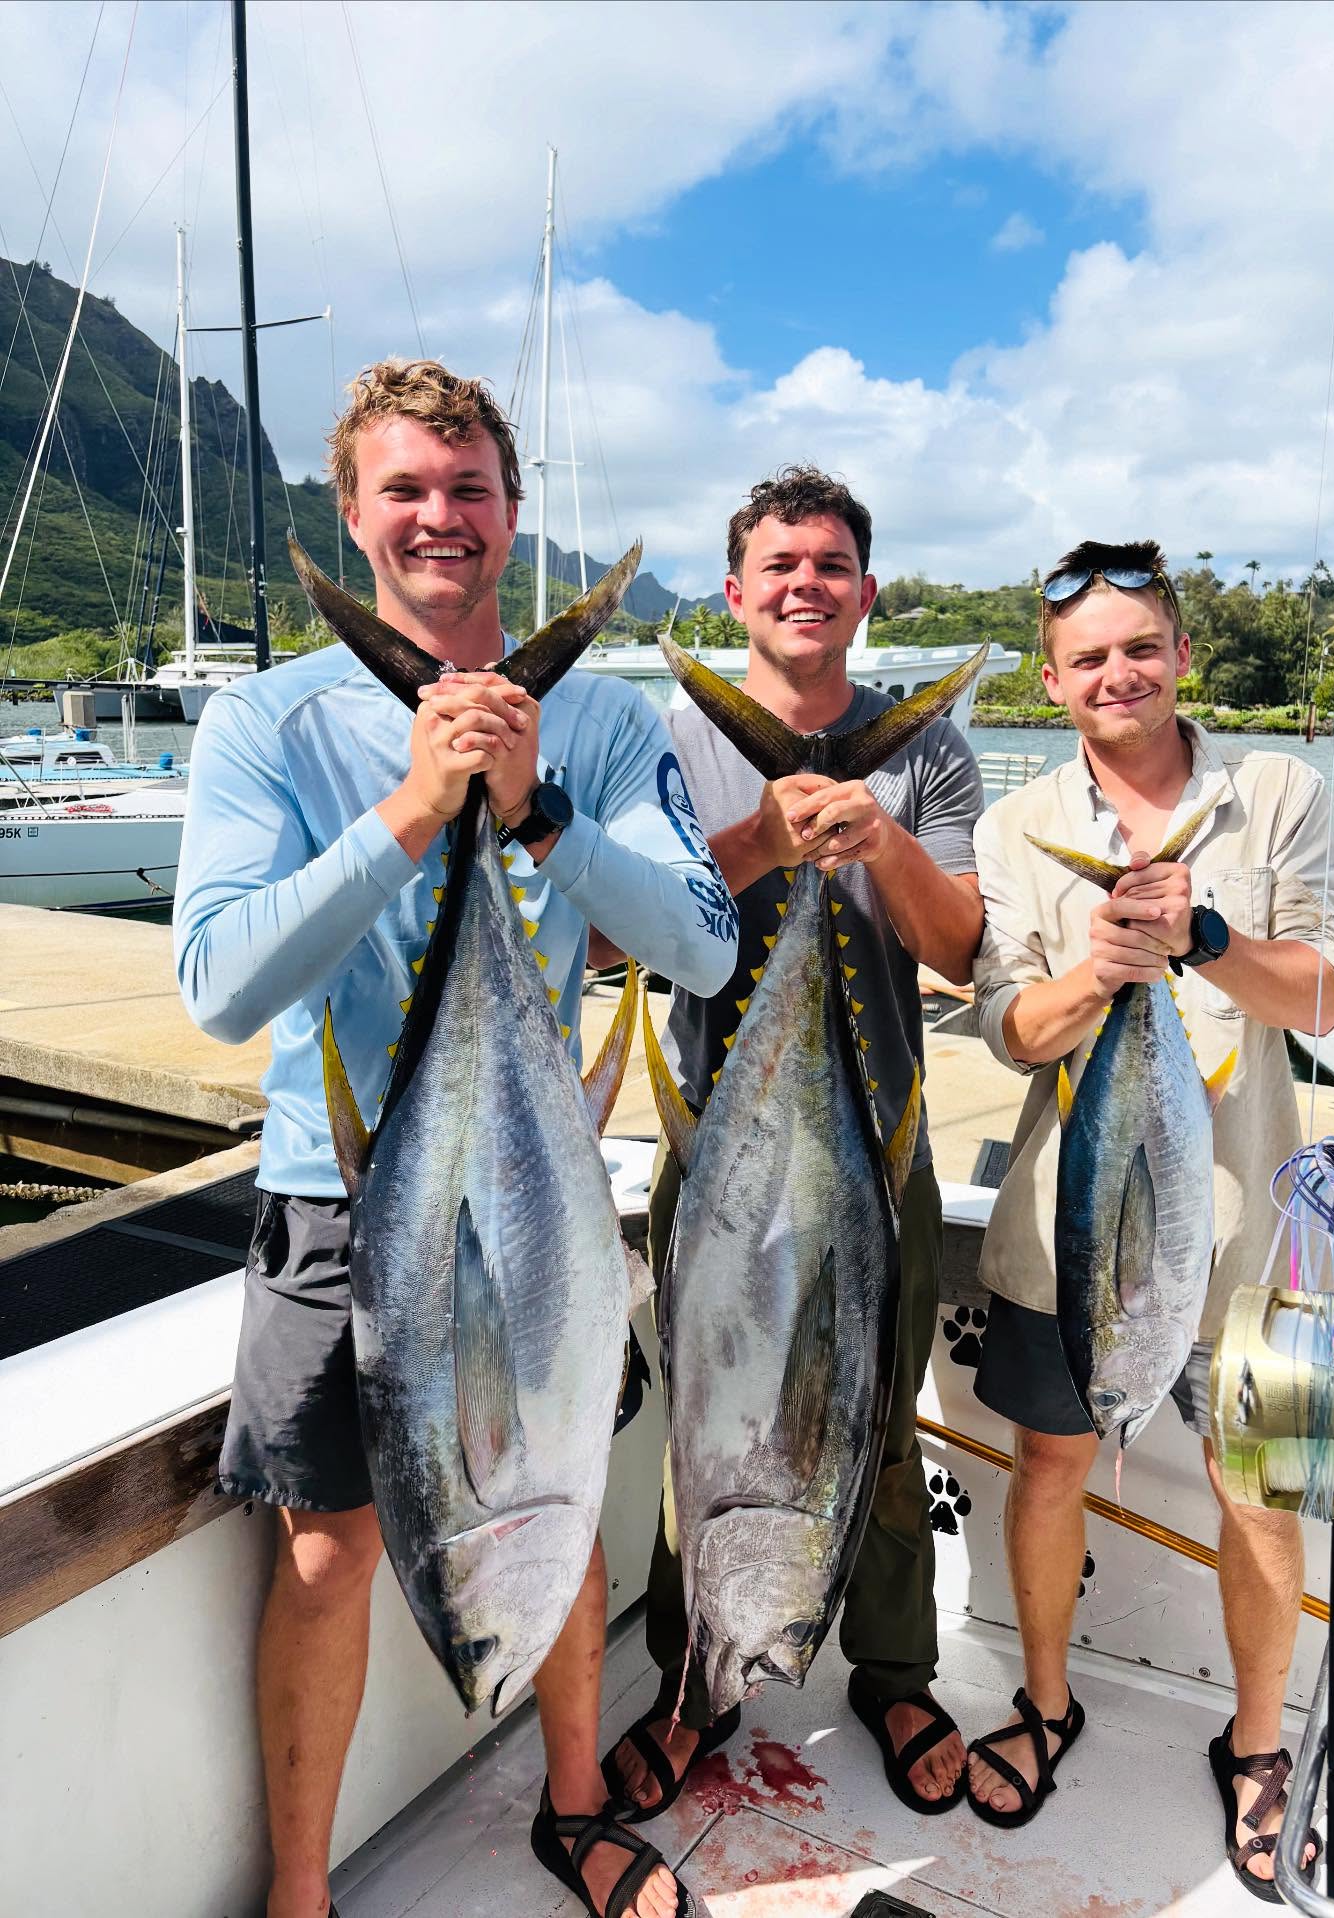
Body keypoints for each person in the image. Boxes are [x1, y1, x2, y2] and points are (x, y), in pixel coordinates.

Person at [174, 358, 738, 1918]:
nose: (441, 514)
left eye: (469, 486)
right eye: (406, 488)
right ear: (353, 512)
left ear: (512, 509)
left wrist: (538, 808)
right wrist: (419, 807)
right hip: (339, 1194)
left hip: (541, 1197)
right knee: (328, 1551)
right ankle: (301, 1888)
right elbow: (220, 985)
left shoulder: (603, 719)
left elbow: (701, 944)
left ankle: (578, 1806)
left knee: (559, 1489)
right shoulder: (268, 720)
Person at [600, 465, 987, 1822]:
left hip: (879, 1151)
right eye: (780, 564)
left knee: (877, 1414)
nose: (805, 584)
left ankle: (896, 1672)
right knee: (702, 1424)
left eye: (830, 565)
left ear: (866, 592)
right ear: (736, 591)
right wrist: (764, 842)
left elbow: (960, 947)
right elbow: (611, 934)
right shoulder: (667, 740)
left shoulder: (928, 750)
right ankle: (694, 1683)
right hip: (719, 1150)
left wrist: (881, 842)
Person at [966, 539, 1334, 1895]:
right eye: (1088, 659)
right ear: (1052, 682)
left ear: (1183, 654)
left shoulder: (1278, 791)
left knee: (1255, 1494)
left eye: (1140, 648)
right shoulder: (1016, 826)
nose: (1116, 674)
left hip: (1244, 1248)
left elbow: (1324, 998)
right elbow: (1009, 1027)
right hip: (1072, 1233)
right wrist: (1103, 971)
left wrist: (1204, 939)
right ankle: (1045, 1703)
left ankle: (1257, 1743)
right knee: (1048, 1463)